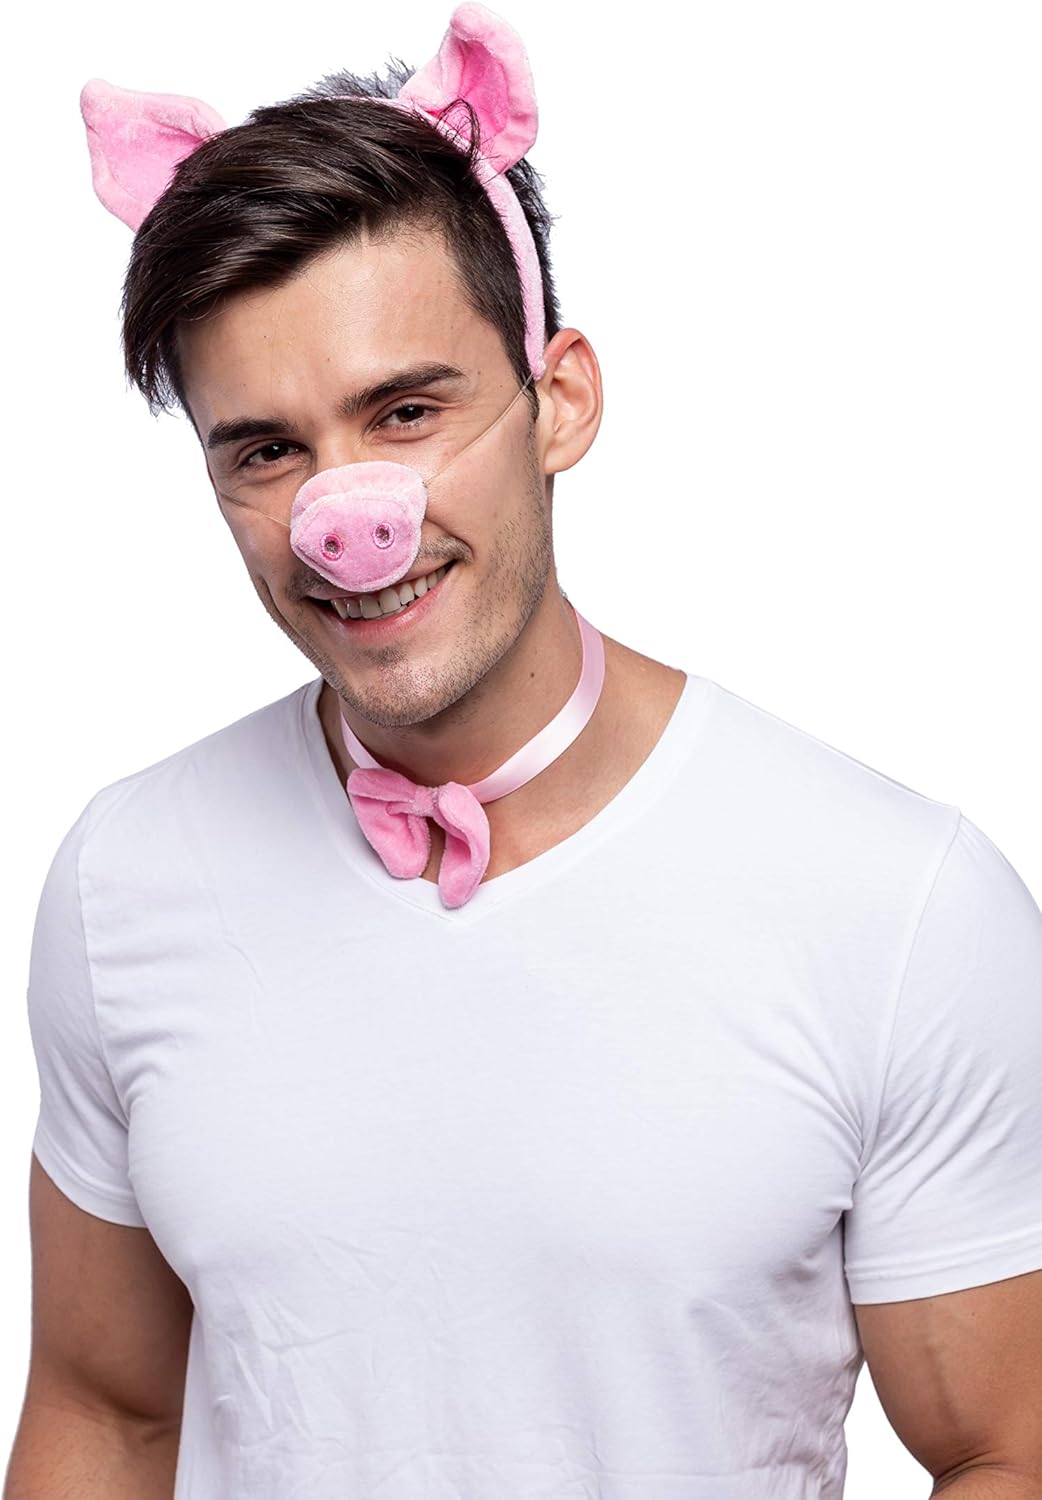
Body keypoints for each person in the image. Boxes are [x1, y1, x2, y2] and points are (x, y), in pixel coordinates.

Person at [7, 6, 1042, 1498]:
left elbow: (1004, 1450)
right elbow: (105, 1414)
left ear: (559, 401)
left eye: (405, 412)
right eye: (267, 450)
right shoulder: (125, 878)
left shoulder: (898, 903)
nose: (343, 520)